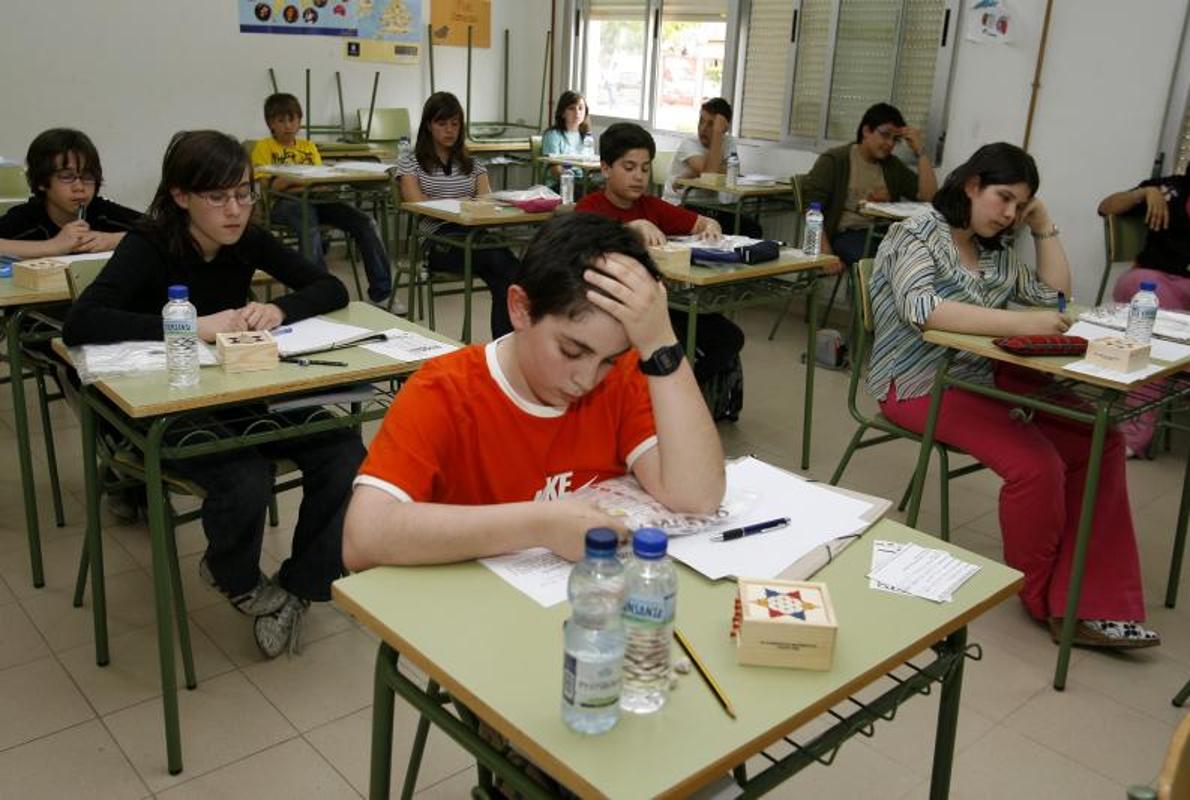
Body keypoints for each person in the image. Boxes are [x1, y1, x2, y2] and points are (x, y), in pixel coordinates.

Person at [62, 130, 365, 658]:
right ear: (181, 196)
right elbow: (81, 322)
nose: (235, 210)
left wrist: (278, 311)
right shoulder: (150, 243)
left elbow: (331, 286)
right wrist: (190, 326)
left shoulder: (243, 235)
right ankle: (235, 576)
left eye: (244, 193)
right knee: (245, 476)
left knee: (343, 451)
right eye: (218, 197)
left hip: (237, 390)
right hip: (165, 403)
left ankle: (297, 587)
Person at [867, 142, 1158, 648]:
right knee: (1037, 465)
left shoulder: (995, 252)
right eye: (1003, 199)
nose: (1009, 215)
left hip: (987, 375)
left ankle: (1093, 595)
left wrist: (1044, 226)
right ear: (972, 184)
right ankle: (1046, 596)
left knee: (1100, 435)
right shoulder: (913, 235)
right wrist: (1021, 321)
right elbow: (924, 309)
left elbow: (1055, 299)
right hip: (916, 383)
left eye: (1019, 207)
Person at [342, 213, 724, 569]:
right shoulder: (444, 389)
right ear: (520, 308)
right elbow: (362, 538)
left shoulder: (620, 374)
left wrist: (661, 344)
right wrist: (541, 524)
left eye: (608, 358)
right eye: (572, 351)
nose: (587, 379)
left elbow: (697, 498)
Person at [576, 122, 744, 415]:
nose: (638, 176)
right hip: (611, 308)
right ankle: (661, 399)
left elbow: (701, 222)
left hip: (663, 303)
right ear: (605, 169)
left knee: (729, 338)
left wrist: (711, 227)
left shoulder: (652, 206)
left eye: (644, 168)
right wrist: (630, 228)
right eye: (629, 167)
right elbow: (583, 245)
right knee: (669, 344)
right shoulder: (590, 207)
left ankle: (680, 395)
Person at [251, 93, 397, 309]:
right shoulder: (264, 147)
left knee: (365, 222)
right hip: (283, 204)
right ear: (270, 123)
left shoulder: (308, 147)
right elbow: (270, 186)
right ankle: (318, 292)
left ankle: (382, 293)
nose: (287, 125)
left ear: (299, 121)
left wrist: (295, 181)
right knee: (308, 221)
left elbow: (321, 183)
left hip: (318, 199)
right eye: (280, 120)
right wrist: (303, 182)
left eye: (292, 119)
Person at [396, 92, 521, 338]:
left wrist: (470, 205)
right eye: (442, 124)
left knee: (506, 278)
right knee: (505, 266)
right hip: (437, 242)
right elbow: (415, 202)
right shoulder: (410, 163)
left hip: (474, 235)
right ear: (429, 126)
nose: (449, 130)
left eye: (455, 124)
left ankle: (505, 347)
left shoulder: (473, 165)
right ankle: (506, 350)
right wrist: (461, 203)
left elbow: (486, 201)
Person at [1097, 167, 1190, 455]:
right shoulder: (1168, 189)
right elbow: (1105, 207)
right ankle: (1135, 432)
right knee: (1152, 318)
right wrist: (1143, 192)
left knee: (1160, 330)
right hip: (1153, 285)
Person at [803, 102, 938, 267]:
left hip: (883, 234)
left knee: (923, 259)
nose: (890, 144)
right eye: (885, 135)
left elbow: (929, 197)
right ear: (866, 131)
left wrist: (921, 152)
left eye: (895, 139)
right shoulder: (835, 160)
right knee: (888, 264)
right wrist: (826, 255)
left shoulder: (892, 166)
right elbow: (812, 210)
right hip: (847, 235)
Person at [0, 128, 140, 259]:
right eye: (67, 177)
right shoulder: (28, 217)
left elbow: (159, 231)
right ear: (42, 181)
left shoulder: (102, 213)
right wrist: (53, 246)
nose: (79, 187)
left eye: (87, 177)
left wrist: (113, 240)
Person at [662, 97, 763, 239]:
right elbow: (710, 174)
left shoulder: (728, 141)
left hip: (709, 208)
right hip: (680, 205)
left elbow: (732, 171)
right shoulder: (689, 143)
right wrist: (716, 135)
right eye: (701, 121)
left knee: (752, 229)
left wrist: (693, 172)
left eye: (711, 124)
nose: (703, 128)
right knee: (711, 233)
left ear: (724, 127)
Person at [540, 90, 592, 190]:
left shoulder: (586, 136)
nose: (577, 112)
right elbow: (556, 171)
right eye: (571, 108)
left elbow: (589, 167)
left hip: (581, 182)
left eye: (581, 108)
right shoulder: (553, 135)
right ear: (562, 113)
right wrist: (577, 183)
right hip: (559, 185)